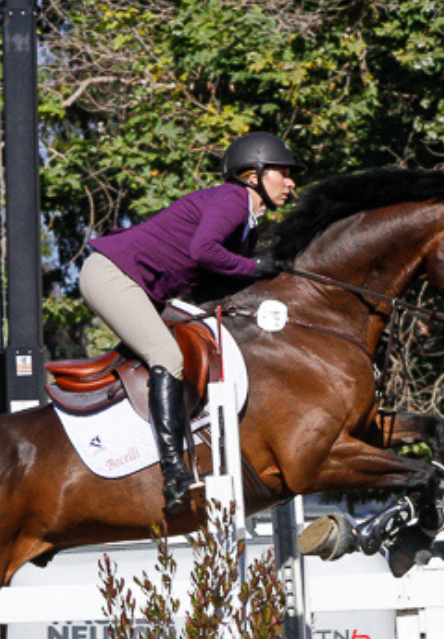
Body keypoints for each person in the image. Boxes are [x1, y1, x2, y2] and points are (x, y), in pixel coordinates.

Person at [80, 131, 298, 512]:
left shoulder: (249, 227)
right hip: (113, 275)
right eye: (284, 173)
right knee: (168, 355)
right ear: (253, 177)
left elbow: (220, 281)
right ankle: (174, 472)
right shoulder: (232, 198)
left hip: (144, 289)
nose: (292, 183)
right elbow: (203, 251)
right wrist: (255, 265)